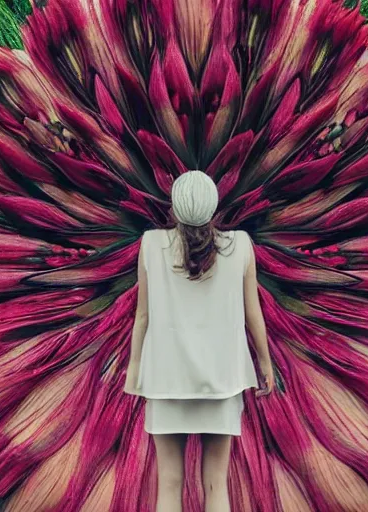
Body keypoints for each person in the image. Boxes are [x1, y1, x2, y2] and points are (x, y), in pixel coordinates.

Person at [124, 170, 274, 512]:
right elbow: (254, 313)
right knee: (215, 484)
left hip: (165, 379)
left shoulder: (150, 243)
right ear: (214, 207)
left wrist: (135, 370)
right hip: (221, 380)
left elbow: (143, 316)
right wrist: (264, 363)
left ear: (174, 209)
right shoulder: (240, 245)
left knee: (169, 484)